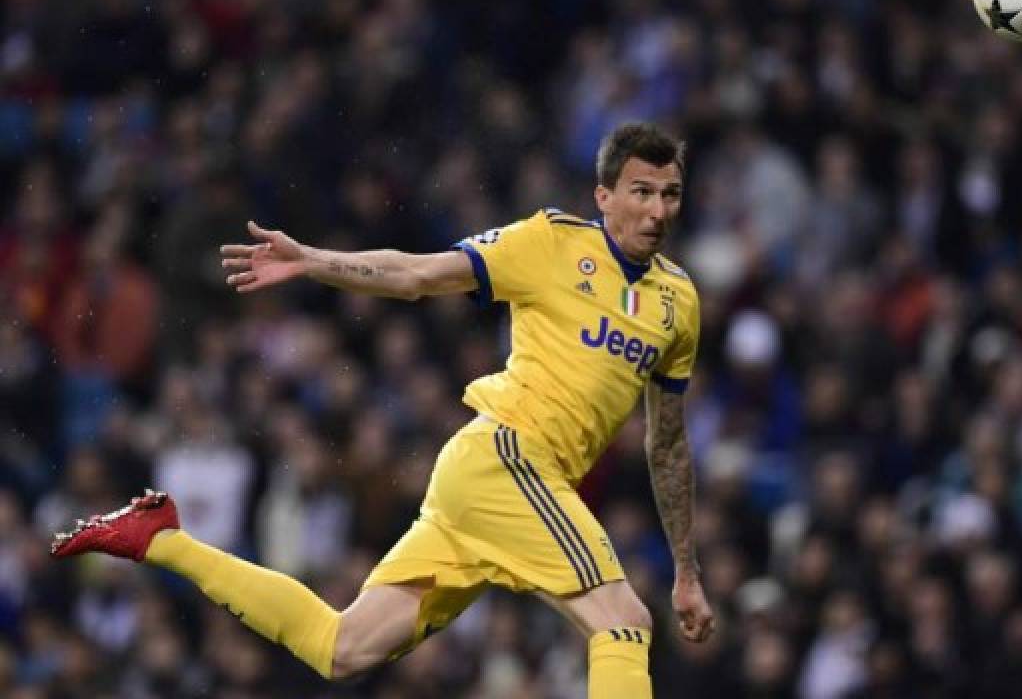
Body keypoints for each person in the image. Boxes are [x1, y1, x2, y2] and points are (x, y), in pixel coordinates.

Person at [50, 121, 715, 697]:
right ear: (604, 197)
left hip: (501, 490)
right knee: (624, 621)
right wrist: (314, 261)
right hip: (508, 459)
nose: (658, 210)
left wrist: (686, 569)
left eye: (670, 194)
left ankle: (161, 539)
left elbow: (668, 444)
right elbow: (419, 274)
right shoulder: (551, 243)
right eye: (641, 192)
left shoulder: (677, 303)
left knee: (343, 649)